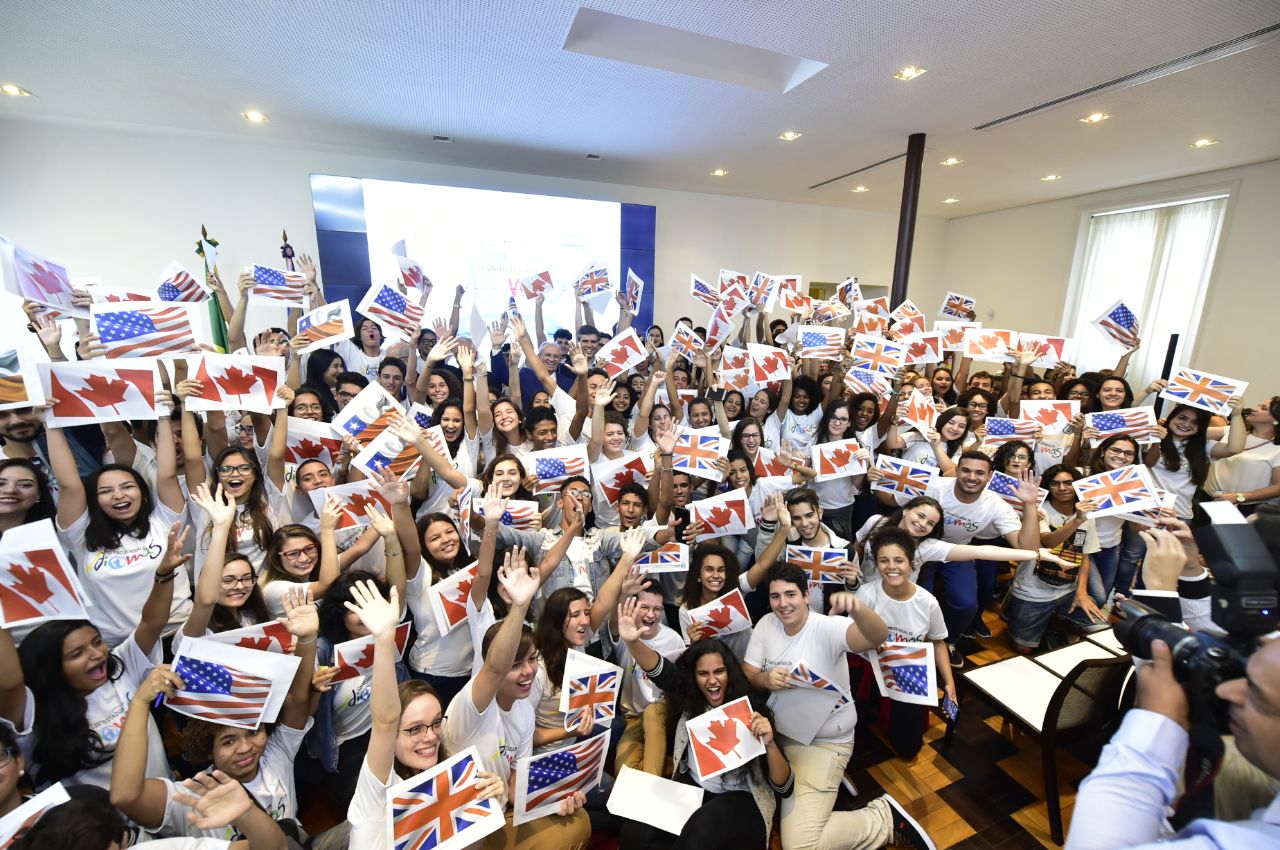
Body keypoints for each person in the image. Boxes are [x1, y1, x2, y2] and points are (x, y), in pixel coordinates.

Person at [742, 563, 933, 850]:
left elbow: (876, 636)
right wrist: (765, 678)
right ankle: (827, 782)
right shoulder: (766, 624)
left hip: (821, 743)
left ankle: (883, 819)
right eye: (775, 596)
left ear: (806, 596)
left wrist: (856, 608)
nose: (783, 604)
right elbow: (749, 673)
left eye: (790, 595)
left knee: (800, 846)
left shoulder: (826, 627)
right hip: (779, 733)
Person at [108, 586, 319, 839]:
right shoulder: (191, 796)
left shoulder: (277, 754)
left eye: (253, 732)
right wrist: (140, 703)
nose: (245, 748)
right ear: (208, 749)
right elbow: (126, 795)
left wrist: (308, 638)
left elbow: (298, 699)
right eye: (228, 741)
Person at [0, 523, 186, 789]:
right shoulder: (33, 712)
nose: (97, 654)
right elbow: (9, 682)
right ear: (51, 667)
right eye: (77, 653)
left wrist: (165, 572)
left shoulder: (120, 669)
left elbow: (152, 622)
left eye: (97, 642)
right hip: (98, 828)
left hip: (165, 809)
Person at [441, 551, 591, 848]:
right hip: (462, 821)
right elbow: (496, 666)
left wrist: (552, 798)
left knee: (580, 819)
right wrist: (520, 606)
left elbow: (514, 779)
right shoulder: (474, 704)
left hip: (502, 810)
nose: (528, 672)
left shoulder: (523, 709)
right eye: (516, 665)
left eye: (533, 660)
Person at [341, 580, 504, 850]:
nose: (430, 736)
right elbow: (384, 721)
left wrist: (491, 799)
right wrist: (383, 639)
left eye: (436, 723)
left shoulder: (451, 778)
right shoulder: (377, 792)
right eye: (414, 729)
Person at [614, 618, 793, 850]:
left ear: (730, 673)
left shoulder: (752, 710)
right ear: (694, 677)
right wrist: (632, 642)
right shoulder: (691, 700)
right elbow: (661, 671)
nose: (712, 680)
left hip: (742, 799)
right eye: (703, 673)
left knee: (698, 833)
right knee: (635, 832)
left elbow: (784, 786)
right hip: (694, 788)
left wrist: (769, 745)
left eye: (719, 671)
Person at [45, 407, 192, 647]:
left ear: (143, 493)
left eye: (127, 486)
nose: (118, 495)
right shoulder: (80, 535)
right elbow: (69, 484)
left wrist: (163, 416)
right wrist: (51, 423)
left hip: (178, 635)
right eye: (105, 491)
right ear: (94, 500)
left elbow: (166, 475)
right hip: (117, 647)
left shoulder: (164, 524)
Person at [853, 527, 954, 760]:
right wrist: (869, 642)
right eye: (884, 560)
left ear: (911, 564)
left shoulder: (927, 602)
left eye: (899, 560)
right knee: (851, 725)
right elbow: (850, 639)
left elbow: (938, 642)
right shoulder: (866, 594)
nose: (891, 567)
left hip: (906, 671)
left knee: (908, 748)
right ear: (876, 564)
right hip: (869, 666)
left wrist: (949, 684)